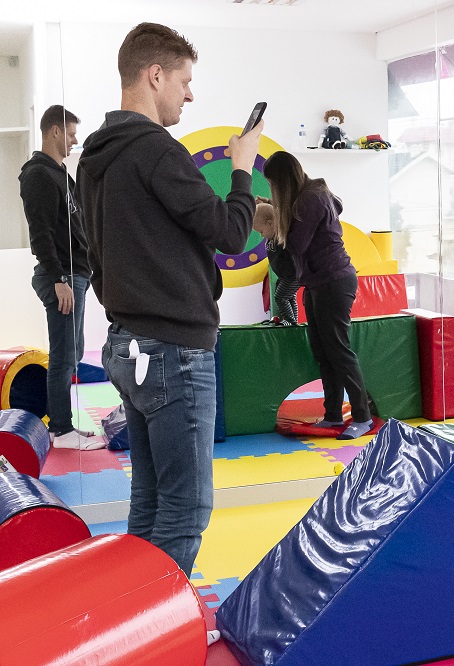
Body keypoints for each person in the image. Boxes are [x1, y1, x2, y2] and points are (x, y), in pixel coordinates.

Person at [76, 22, 262, 577]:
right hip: (173, 351)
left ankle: (134, 621)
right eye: (183, 80)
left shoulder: (94, 157)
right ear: (154, 75)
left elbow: (97, 252)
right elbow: (231, 234)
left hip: (127, 344)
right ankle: (155, 629)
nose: (189, 93)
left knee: (151, 499)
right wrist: (244, 168)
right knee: (187, 507)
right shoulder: (157, 150)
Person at [258, 151, 373, 439]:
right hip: (318, 283)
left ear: (281, 181)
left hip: (334, 280)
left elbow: (296, 244)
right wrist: (275, 207)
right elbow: (335, 208)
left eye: (273, 185)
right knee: (323, 352)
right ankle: (333, 414)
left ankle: (362, 416)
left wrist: (276, 219)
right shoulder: (309, 195)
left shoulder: (310, 199)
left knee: (339, 350)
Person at [19, 105, 104, 450]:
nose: (74, 140)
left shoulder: (62, 175)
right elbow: (40, 232)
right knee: (62, 356)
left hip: (77, 273)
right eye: (70, 134)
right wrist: (58, 278)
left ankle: (65, 424)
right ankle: (62, 430)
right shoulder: (38, 174)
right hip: (63, 275)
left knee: (73, 352)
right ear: (54, 131)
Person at [253, 201, 300, 324]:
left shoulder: (281, 235)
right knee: (289, 297)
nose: (261, 235)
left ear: (270, 224)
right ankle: (293, 321)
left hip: (293, 275)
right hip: (284, 276)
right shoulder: (270, 238)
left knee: (280, 297)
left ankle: (290, 321)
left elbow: (284, 213)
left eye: (261, 231)